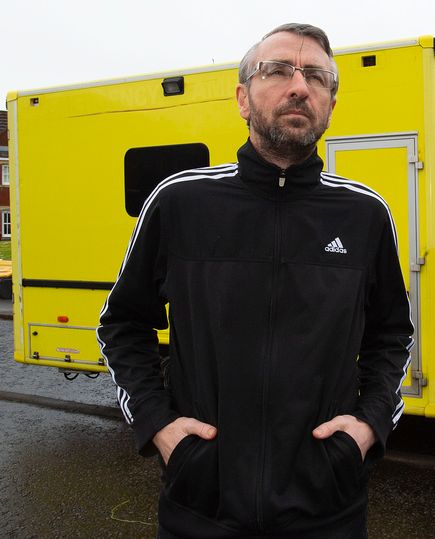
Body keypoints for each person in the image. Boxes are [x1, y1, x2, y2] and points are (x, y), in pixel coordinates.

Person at [97, 23, 413, 538]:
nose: (299, 86)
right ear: (243, 99)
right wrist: (158, 425)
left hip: (328, 512)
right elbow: (123, 324)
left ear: (331, 105)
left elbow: (392, 334)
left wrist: (368, 425)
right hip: (201, 509)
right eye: (278, 70)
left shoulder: (364, 214)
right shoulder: (180, 203)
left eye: (317, 76)